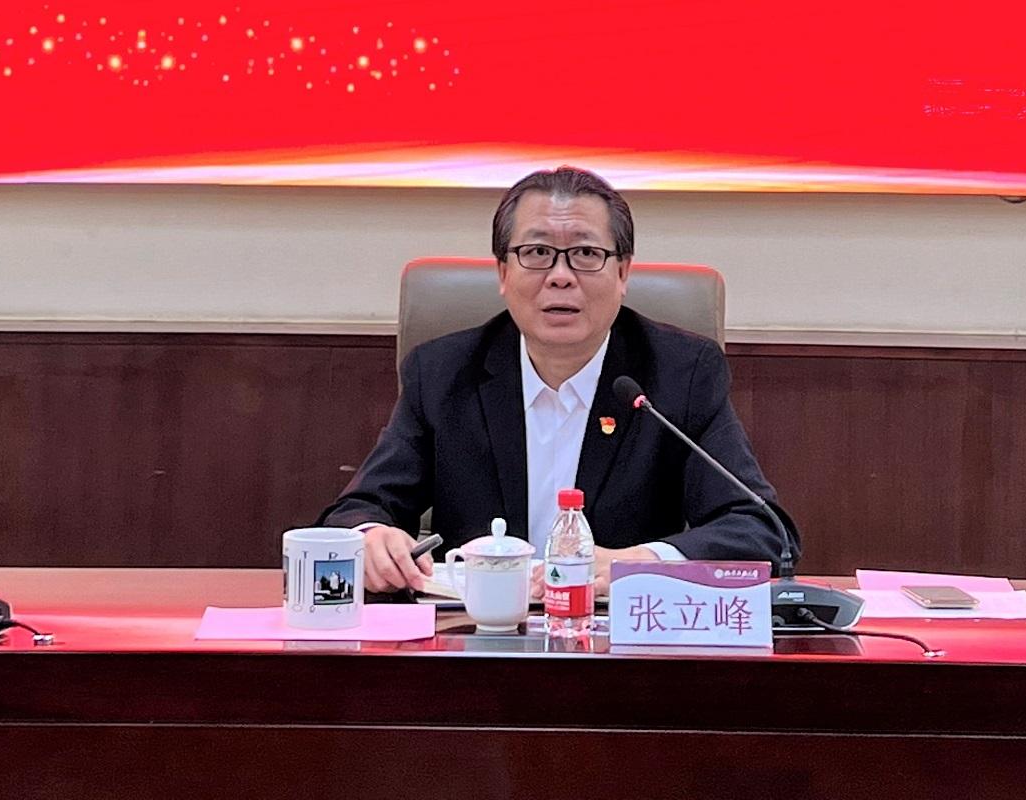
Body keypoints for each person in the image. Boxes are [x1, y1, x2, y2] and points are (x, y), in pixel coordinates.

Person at [316, 166, 799, 595]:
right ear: (503, 273)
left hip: (620, 643)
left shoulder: (679, 374)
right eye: (537, 252)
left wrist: (639, 562)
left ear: (623, 273)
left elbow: (760, 531)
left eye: (586, 253)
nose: (561, 276)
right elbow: (359, 510)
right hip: (474, 638)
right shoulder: (443, 373)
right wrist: (372, 538)